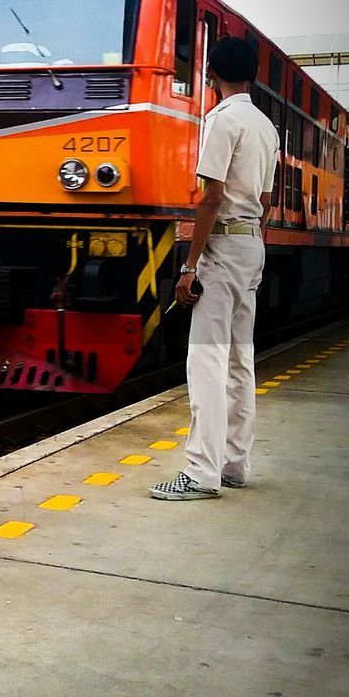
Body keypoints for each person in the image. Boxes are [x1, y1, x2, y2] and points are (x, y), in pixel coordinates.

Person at [151, 36, 280, 502]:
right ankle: (234, 464)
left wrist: (189, 267)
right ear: (253, 74)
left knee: (205, 357)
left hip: (223, 248)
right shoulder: (266, 127)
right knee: (240, 358)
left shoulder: (222, 121)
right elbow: (266, 200)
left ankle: (200, 473)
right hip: (252, 246)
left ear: (211, 74)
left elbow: (210, 198)